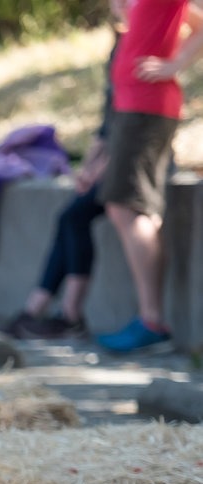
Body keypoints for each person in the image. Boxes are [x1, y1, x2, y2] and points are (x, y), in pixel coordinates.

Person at [94, 0, 203, 354]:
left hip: (145, 107)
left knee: (126, 208)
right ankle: (150, 319)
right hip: (135, 107)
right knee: (133, 209)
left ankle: (151, 320)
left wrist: (175, 64)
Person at [2, 28, 125, 340]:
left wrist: (98, 171)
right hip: (108, 165)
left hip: (130, 162)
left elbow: (131, 128)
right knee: (68, 218)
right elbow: (107, 126)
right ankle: (36, 311)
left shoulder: (142, 41)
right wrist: (88, 169)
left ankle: (67, 315)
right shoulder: (120, 44)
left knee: (73, 217)